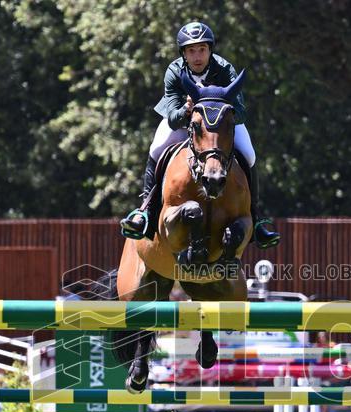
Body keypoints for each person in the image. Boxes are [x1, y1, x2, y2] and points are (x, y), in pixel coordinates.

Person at [119, 21, 279, 249]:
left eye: (202, 49)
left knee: (249, 154)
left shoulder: (225, 69)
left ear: (210, 50)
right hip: (185, 124)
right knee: (157, 147)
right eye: (191, 50)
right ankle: (144, 212)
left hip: (220, 127)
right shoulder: (175, 71)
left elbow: (241, 113)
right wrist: (187, 110)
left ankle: (258, 218)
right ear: (183, 53)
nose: (197, 56)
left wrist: (221, 110)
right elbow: (172, 116)